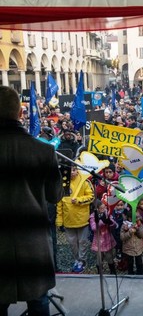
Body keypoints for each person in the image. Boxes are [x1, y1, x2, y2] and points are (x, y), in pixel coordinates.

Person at [0, 86, 64, 316]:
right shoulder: (43, 151)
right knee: (38, 303)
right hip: (33, 242)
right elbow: (54, 196)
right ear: (20, 112)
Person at [56, 166, 94, 273]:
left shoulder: (84, 181)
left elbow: (91, 196)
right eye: (70, 170)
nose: (72, 172)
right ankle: (77, 259)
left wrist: (78, 200)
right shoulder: (63, 183)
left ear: (77, 170)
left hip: (82, 219)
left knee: (82, 242)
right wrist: (59, 219)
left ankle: (82, 261)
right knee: (72, 243)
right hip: (68, 220)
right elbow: (59, 203)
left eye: (74, 170)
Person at [89, 199, 117, 274]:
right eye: (101, 208)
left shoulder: (106, 213)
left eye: (104, 207)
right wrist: (101, 222)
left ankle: (112, 271)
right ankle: (100, 272)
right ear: (96, 209)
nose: (103, 209)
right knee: (99, 258)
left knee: (109, 257)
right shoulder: (93, 216)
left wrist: (110, 222)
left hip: (107, 238)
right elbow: (93, 228)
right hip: (98, 240)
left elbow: (114, 224)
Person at [120, 208, 143, 275]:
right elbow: (122, 237)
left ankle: (140, 274)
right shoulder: (124, 225)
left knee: (139, 263)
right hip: (128, 250)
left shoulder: (139, 225)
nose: (137, 219)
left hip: (138, 248)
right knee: (130, 263)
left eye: (138, 217)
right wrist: (129, 232)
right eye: (136, 218)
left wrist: (137, 229)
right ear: (129, 219)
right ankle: (130, 274)